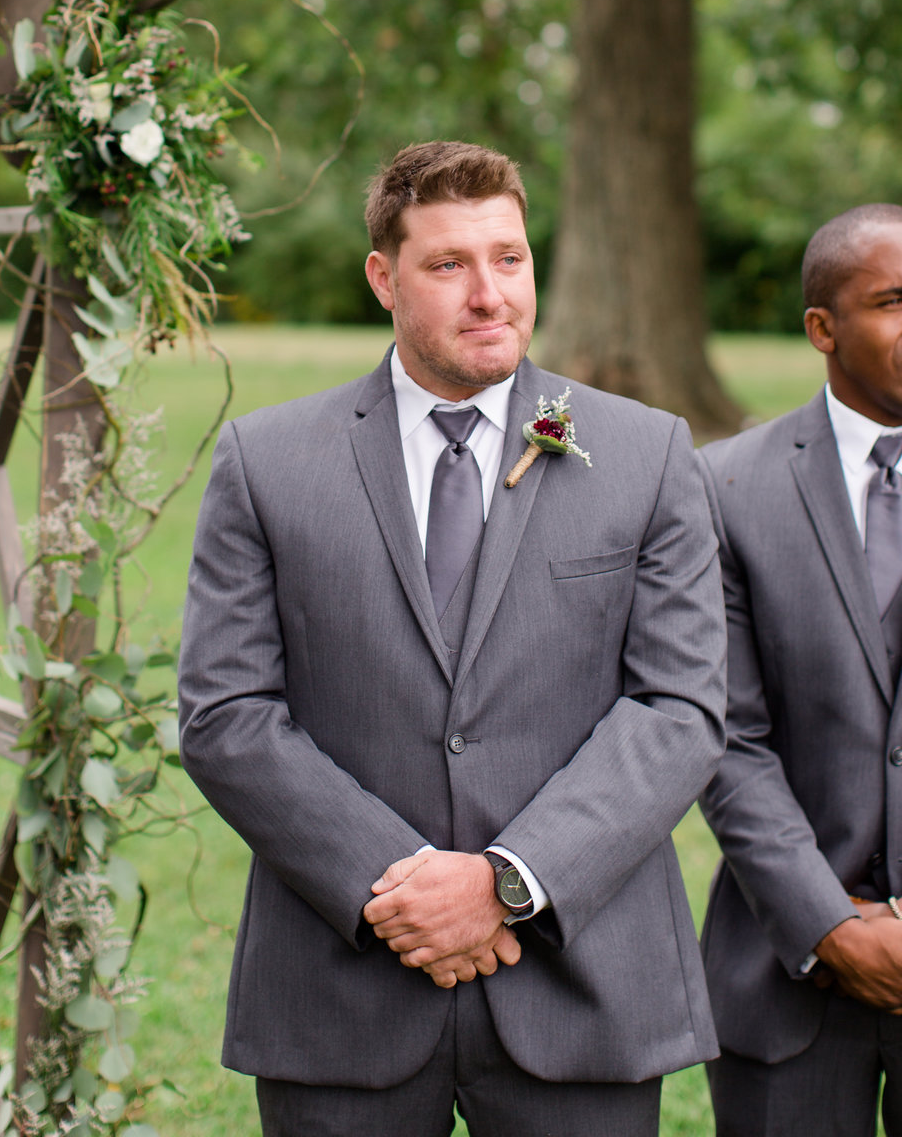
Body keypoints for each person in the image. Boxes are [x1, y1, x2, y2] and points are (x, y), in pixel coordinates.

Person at [179, 141, 725, 1137]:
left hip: (582, 987)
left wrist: (506, 882)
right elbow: (225, 717)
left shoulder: (646, 454)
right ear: (383, 277)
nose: (490, 295)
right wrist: (403, 888)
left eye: (509, 259)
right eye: (448, 265)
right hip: (341, 992)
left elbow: (678, 710)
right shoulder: (266, 462)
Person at [700, 203, 902, 1137]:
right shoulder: (726, 488)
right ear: (823, 328)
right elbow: (723, 736)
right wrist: (829, 923)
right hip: (786, 972)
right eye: (894, 302)